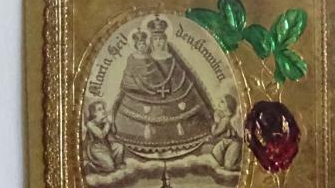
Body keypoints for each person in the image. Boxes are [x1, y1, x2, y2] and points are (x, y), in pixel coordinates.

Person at [112, 17, 213, 158]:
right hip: (147, 97)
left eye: (161, 39)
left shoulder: (171, 57)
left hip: (173, 95)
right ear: (151, 42)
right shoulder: (145, 59)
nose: (158, 42)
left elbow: (179, 78)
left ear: (165, 41)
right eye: (155, 39)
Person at [83, 100, 125, 173]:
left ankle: (118, 164)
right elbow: (101, 135)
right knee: (110, 168)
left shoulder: (104, 121)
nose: (103, 111)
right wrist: (108, 123)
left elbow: (114, 132)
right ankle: (92, 166)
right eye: (99, 109)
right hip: (96, 149)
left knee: (119, 146)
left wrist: (112, 122)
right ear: (94, 113)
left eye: (103, 108)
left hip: (107, 145)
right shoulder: (90, 124)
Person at [211, 94, 242, 170]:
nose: (219, 103)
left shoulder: (225, 120)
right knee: (216, 155)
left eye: (222, 102)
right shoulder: (227, 118)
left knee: (228, 166)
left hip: (235, 142)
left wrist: (216, 122)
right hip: (226, 141)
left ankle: (238, 165)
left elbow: (215, 133)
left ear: (228, 106)